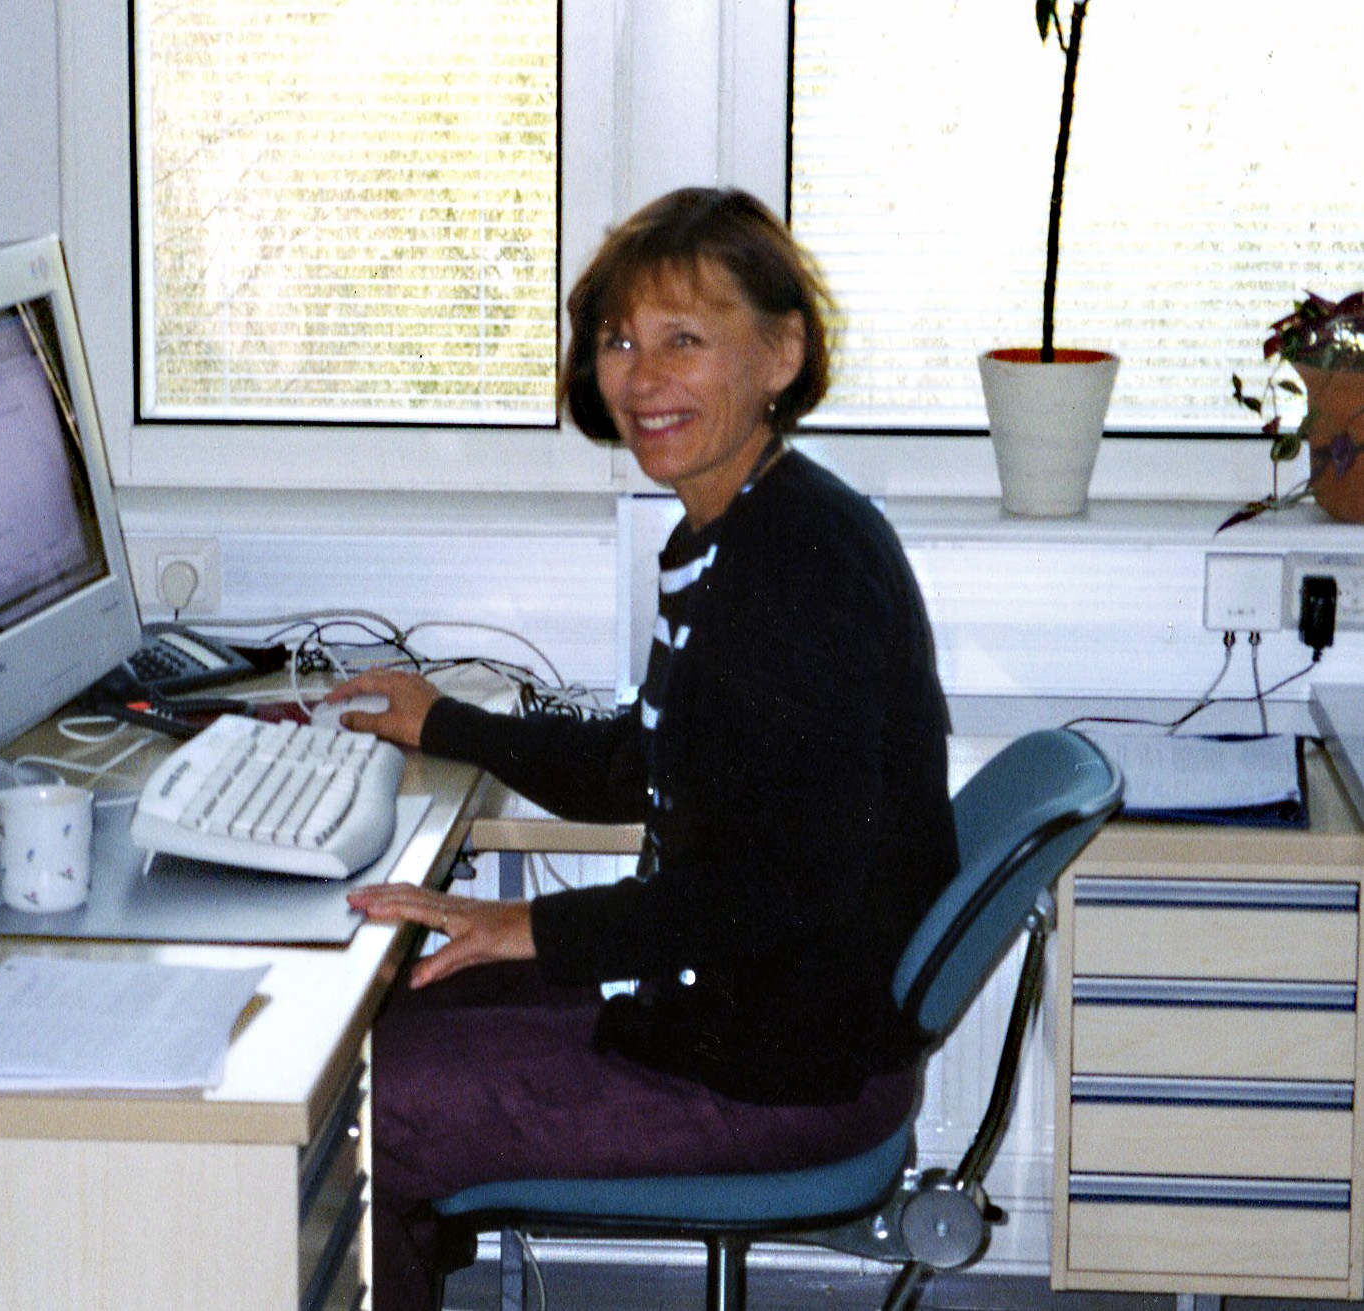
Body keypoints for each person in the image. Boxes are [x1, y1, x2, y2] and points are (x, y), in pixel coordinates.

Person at [324, 187, 960, 1311]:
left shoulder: (791, 570)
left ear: (777, 354)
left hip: (775, 1069)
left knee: (362, 1109)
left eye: (683, 339)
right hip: (731, 1008)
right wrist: (447, 724)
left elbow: (789, 883)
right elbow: (646, 760)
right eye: (620, 340)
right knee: (388, 1020)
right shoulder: (740, 524)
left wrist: (529, 926)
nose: (639, 375)